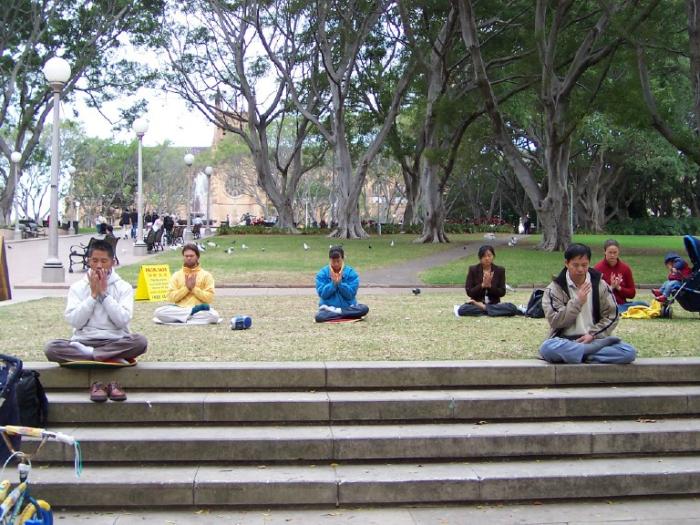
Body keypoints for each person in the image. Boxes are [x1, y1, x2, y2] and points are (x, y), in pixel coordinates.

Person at [44, 239, 148, 401]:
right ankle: (106, 357)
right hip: (83, 342)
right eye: (94, 260)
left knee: (140, 342)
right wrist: (93, 296)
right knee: (51, 348)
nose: (99, 266)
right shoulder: (78, 287)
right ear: (88, 261)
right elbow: (75, 322)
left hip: (114, 341)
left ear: (112, 262)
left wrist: (104, 295)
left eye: (104, 261)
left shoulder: (123, 287)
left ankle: (94, 355)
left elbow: (122, 320)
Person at [539, 243, 636, 364]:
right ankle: (588, 353)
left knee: (628, 352)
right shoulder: (554, 289)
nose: (580, 269)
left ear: (589, 263)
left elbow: (612, 315)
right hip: (565, 340)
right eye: (575, 265)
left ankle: (580, 354)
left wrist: (593, 334)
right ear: (566, 263)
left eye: (584, 265)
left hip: (594, 339)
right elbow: (556, 321)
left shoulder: (600, 285)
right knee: (547, 348)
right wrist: (577, 302)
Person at [153, 243, 222, 324]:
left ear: (197, 257)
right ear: (183, 257)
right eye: (186, 256)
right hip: (180, 308)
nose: (189, 258)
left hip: (199, 310)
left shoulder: (206, 275)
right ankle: (190, 314)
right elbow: (171, 297)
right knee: (158, 312)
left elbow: (209, 298)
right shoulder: (177, 275)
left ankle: (183, 318)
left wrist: (194, 289)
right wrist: (186, 288)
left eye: (191, 256)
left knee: (214, 316)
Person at [455, 245, 520, 316]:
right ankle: (492, 311)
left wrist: (490, 286)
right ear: (480, 258)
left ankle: (485, 308)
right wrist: (482, 285)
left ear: (493, 256)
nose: (487, 258)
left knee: (512, 308)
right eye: (484, 256)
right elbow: (469, 292)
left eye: (489, 255)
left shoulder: (500, 270)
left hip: (494, 304)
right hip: (476, 304)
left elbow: (502, 292)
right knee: (462, 309)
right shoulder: (473, 269)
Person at [315, 246, 369, 322]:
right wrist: (333, 284)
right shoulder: (322, 273)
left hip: (348, 307)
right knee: (319, 317)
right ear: (330, 260)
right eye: (333, 261)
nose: (336, 264)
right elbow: (323, 295)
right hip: (328, 308)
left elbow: (350, 295)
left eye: (338, 261)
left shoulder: (351, 273)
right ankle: (346, 314)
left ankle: (339, 313)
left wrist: (340, 284)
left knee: (364, 308)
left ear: (343, 259)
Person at [593, 239, 647, 313]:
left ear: (618, 252)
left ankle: (621, 311)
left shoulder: (625, 268)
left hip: (622, 304)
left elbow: (632, 294)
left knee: (644, 304)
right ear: (605, 252)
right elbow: (595, 295)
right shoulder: (598, 269)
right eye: (610, 252)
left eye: (615, 252)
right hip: (606, 306)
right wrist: (611, 287)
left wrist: (619, 288)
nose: (612, 255)